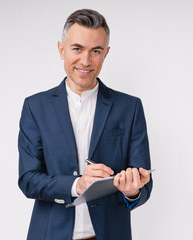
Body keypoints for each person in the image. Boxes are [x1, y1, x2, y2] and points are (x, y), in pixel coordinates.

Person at [18, 9, 153, 240]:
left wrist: (133, 191)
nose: (86, 61)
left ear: (106, 53)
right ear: (62, 50)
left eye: (96, 51)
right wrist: (77, 185)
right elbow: (28, 180)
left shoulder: (130, 108)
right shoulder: (35, 107)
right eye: (77, 49)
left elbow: (144, 182)